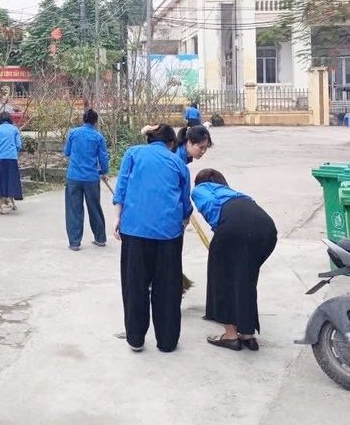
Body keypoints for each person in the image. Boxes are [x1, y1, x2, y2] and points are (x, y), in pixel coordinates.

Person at [112, 124, 192, 352]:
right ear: (171, 144)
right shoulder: (178, 162)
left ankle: (135, 339)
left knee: (134, 285)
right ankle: (167, 342)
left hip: (135, 230)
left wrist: (117, 218)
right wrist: (184, 219)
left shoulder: (133, 153)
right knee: (167, 288)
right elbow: (185, 202)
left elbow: (122, 187)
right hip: (168, 234)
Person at [192, 168, 277, 351]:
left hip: (234, 231)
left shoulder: (200, 189)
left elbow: (209, 209)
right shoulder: (235, 194)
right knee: (245, 281)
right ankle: (247, 334)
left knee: (222, 281)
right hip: (267, 231)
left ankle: (230, 336)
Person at [63, 109, 109, 251]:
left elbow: (67, 152)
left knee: (74, 209)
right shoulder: (98, 137)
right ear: (95, 122)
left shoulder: (73, 133)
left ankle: (74, 242)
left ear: (83, 120)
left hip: (74, 177)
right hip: (91, 178)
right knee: (94, 207)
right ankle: (100, 239)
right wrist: (104, 172)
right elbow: (103, 157)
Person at [0, 111, 23, 214]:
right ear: (10, 119)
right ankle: (11, 203)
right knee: (11, 180)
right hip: (11, 158)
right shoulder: (14, 129)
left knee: (0, 181)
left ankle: (0, 204)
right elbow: (19, 145)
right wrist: (14, 152)